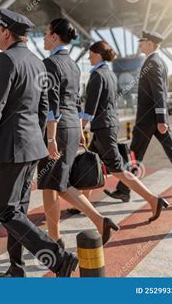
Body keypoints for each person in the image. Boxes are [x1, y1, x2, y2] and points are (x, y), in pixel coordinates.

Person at [0, 9, 78, 278]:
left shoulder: (5, 60)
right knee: (18, 211)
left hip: (11, 148)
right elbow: (44, 108)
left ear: (7, 33)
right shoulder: (36, 62)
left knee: (6, 212)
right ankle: (16, 268)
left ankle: (58, 258)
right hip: (32, 146)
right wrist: (36, 137)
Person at [38, 18, 119, 246]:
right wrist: (79, 130)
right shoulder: (73, 64)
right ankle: (66, 232)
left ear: (54, 36)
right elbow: (75, 99)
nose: (44, 37)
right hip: (72, 125)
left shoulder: (50, 63)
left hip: (58, 129)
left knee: (53, 184)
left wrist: (50, 137)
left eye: (45, 33)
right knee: (56, 183)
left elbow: (52, 104)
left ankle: (62, 236)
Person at [104, 31, 172, 203]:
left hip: (148, 121)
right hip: (154, 121)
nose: (140, 45)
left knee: (135, 154)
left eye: (142, 42)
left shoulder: (153, 62)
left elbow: (159, 93)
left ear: (149, 43)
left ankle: (124, 190)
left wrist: (162, 120)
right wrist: (161, 119)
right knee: (164, 154)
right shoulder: (156, 61)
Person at [82, 41, 169, 222]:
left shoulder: (97, 75)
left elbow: (90, 107)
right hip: (106, 127)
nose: (88, 57)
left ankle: (153, 200)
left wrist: (80, 127)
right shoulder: (110, 74)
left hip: (103, 128)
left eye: (90, 53)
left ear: (98, 54)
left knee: (119, 170)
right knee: (90, 166)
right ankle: (83, 203)